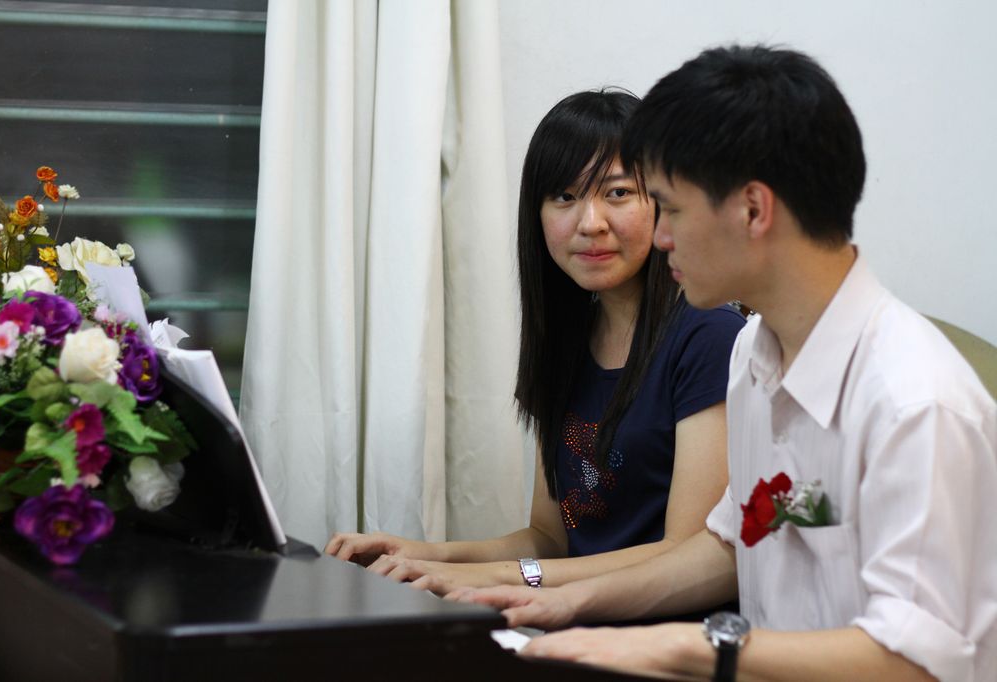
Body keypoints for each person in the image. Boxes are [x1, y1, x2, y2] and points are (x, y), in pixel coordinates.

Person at [449, 46, 997, 682]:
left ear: (753, 210)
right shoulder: (754, 355)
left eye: (672, 208)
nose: (660, 237)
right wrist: (563, 602)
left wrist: (683, 648)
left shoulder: (915, 402)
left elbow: (917, 660)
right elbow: (728, 546)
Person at [325, 90, 745, 593]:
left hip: (663, 630)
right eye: (564, 197)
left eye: (617, 193)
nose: (591, 223)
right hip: (564, 621)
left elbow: (684, 553)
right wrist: (425, 554)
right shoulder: (568, 339)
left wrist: (486, 579)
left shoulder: (709, 335)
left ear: (661, 202)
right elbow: (550, 537)